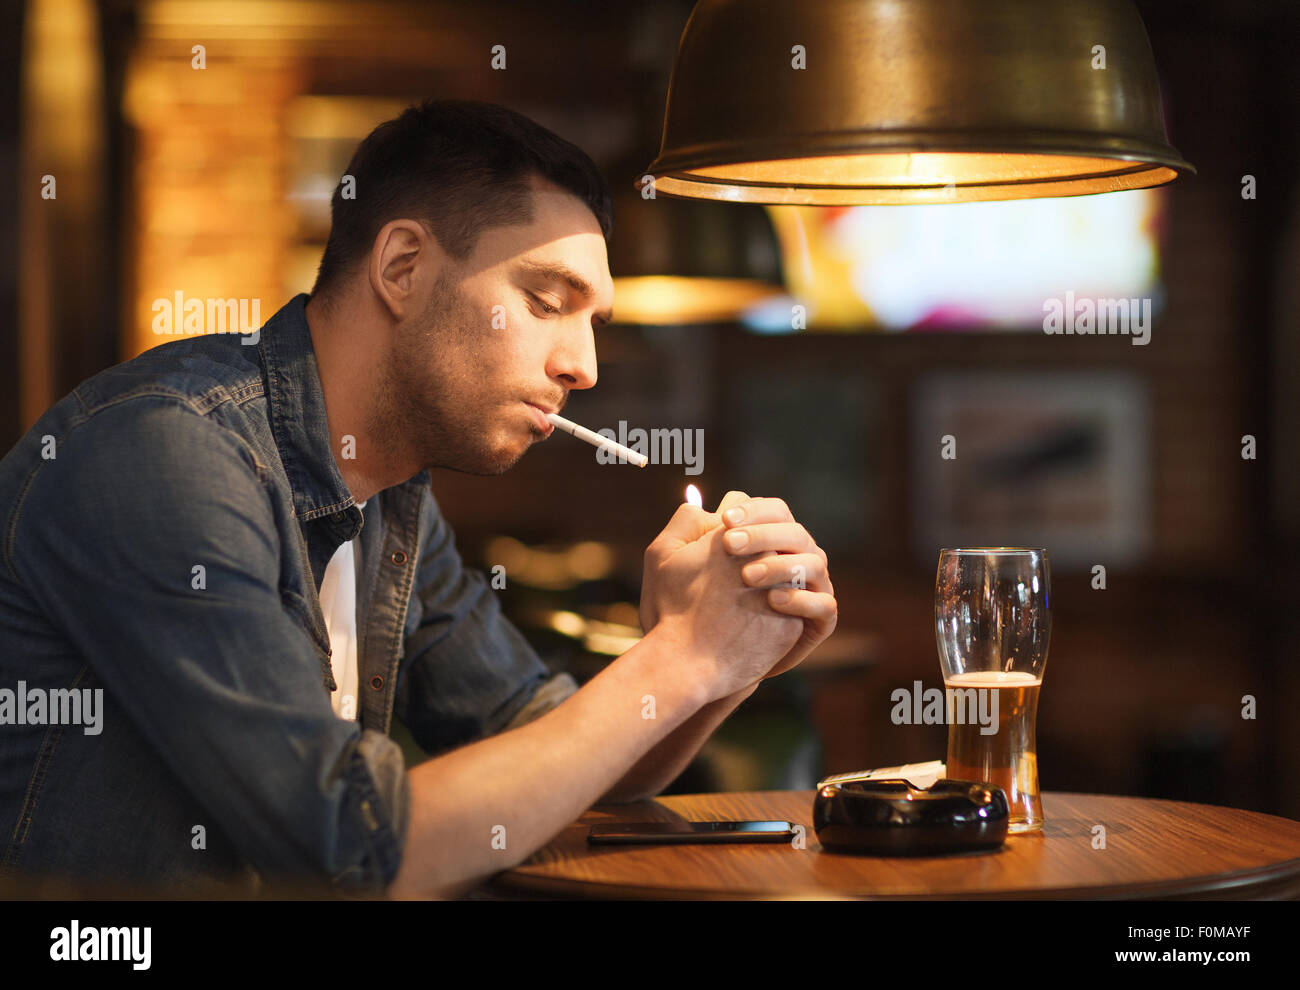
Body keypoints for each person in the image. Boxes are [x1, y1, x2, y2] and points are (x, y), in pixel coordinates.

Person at [0, 99, 836, 899]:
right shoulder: (164, 454)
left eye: (595, 323)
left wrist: (728, 654)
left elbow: (547, 748)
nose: (582, 364)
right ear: (403, 267)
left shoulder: (391, 490)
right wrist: (680, 656)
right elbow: (351, 849)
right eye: (547, 302)